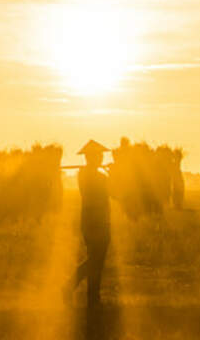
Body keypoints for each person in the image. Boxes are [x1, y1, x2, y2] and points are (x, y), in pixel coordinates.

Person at [72, 139, 110, 338]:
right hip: (98, 223)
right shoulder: (94, 177)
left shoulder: (84, 174)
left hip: (90, 222)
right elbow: (112, 191)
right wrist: (114, 174)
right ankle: (74, 287)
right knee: (96, 260)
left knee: (96, 260)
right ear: (92, 158)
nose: (102, 158)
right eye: (99, 155)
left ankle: (92, 298)